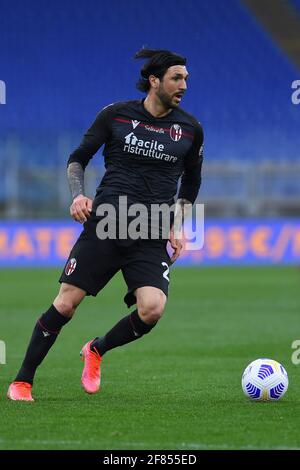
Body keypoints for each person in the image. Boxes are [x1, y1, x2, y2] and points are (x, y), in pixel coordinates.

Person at [7, 48, 204, 401]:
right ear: (155, 80)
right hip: (106, 224)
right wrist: (78, 195)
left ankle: (96, 349)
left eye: (186, 78)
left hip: (150, 231)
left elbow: (191, 183)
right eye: (177, 77)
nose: (184, 85)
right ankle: (23, 380)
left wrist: (178, 225)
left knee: (152, 308)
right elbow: (77, 159)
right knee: (66, 303)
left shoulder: (190, 129)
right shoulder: (115, 116)